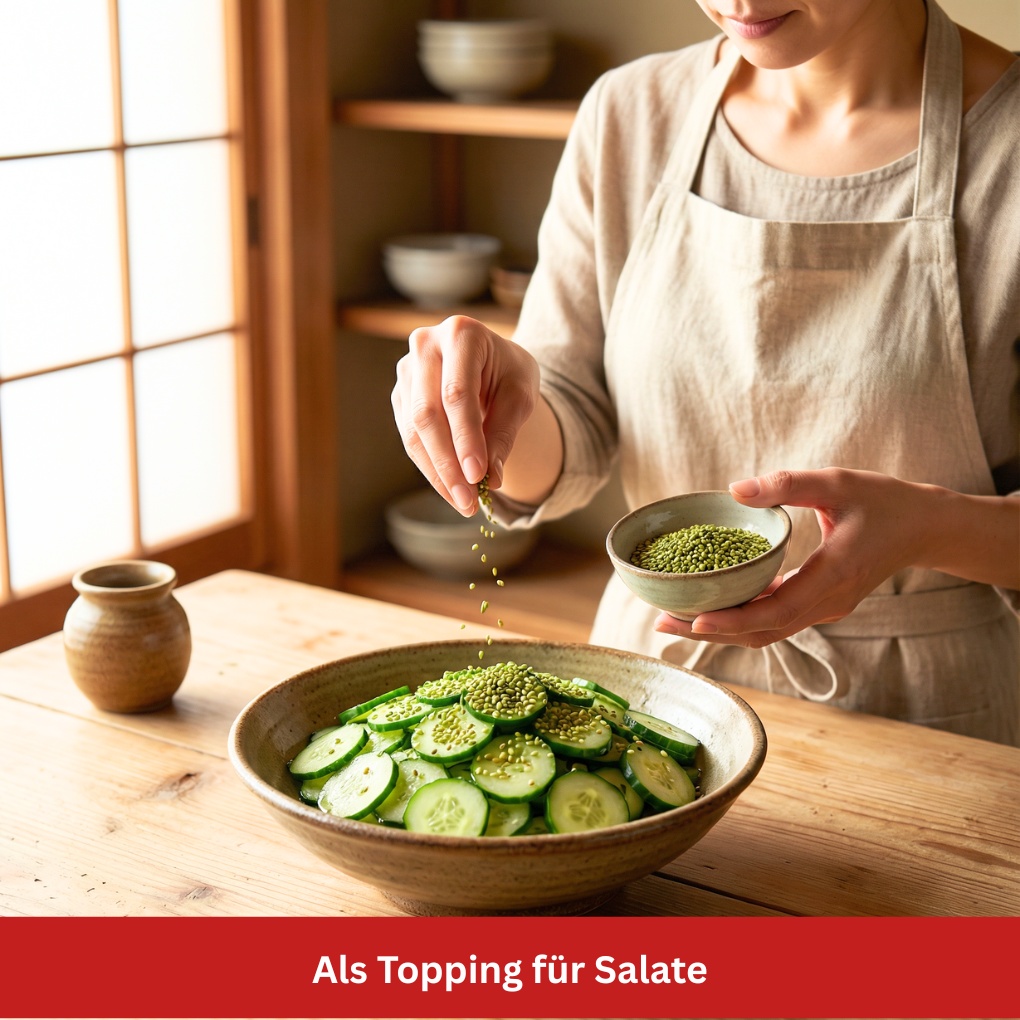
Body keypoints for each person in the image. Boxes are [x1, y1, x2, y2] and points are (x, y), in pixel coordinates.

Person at [391, 0, 1020, 744]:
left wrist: (926, 530)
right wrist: (500, 407)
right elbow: (570, 438)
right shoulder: (629, 114)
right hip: (652, 694)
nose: (741, 2)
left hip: (931, 720)